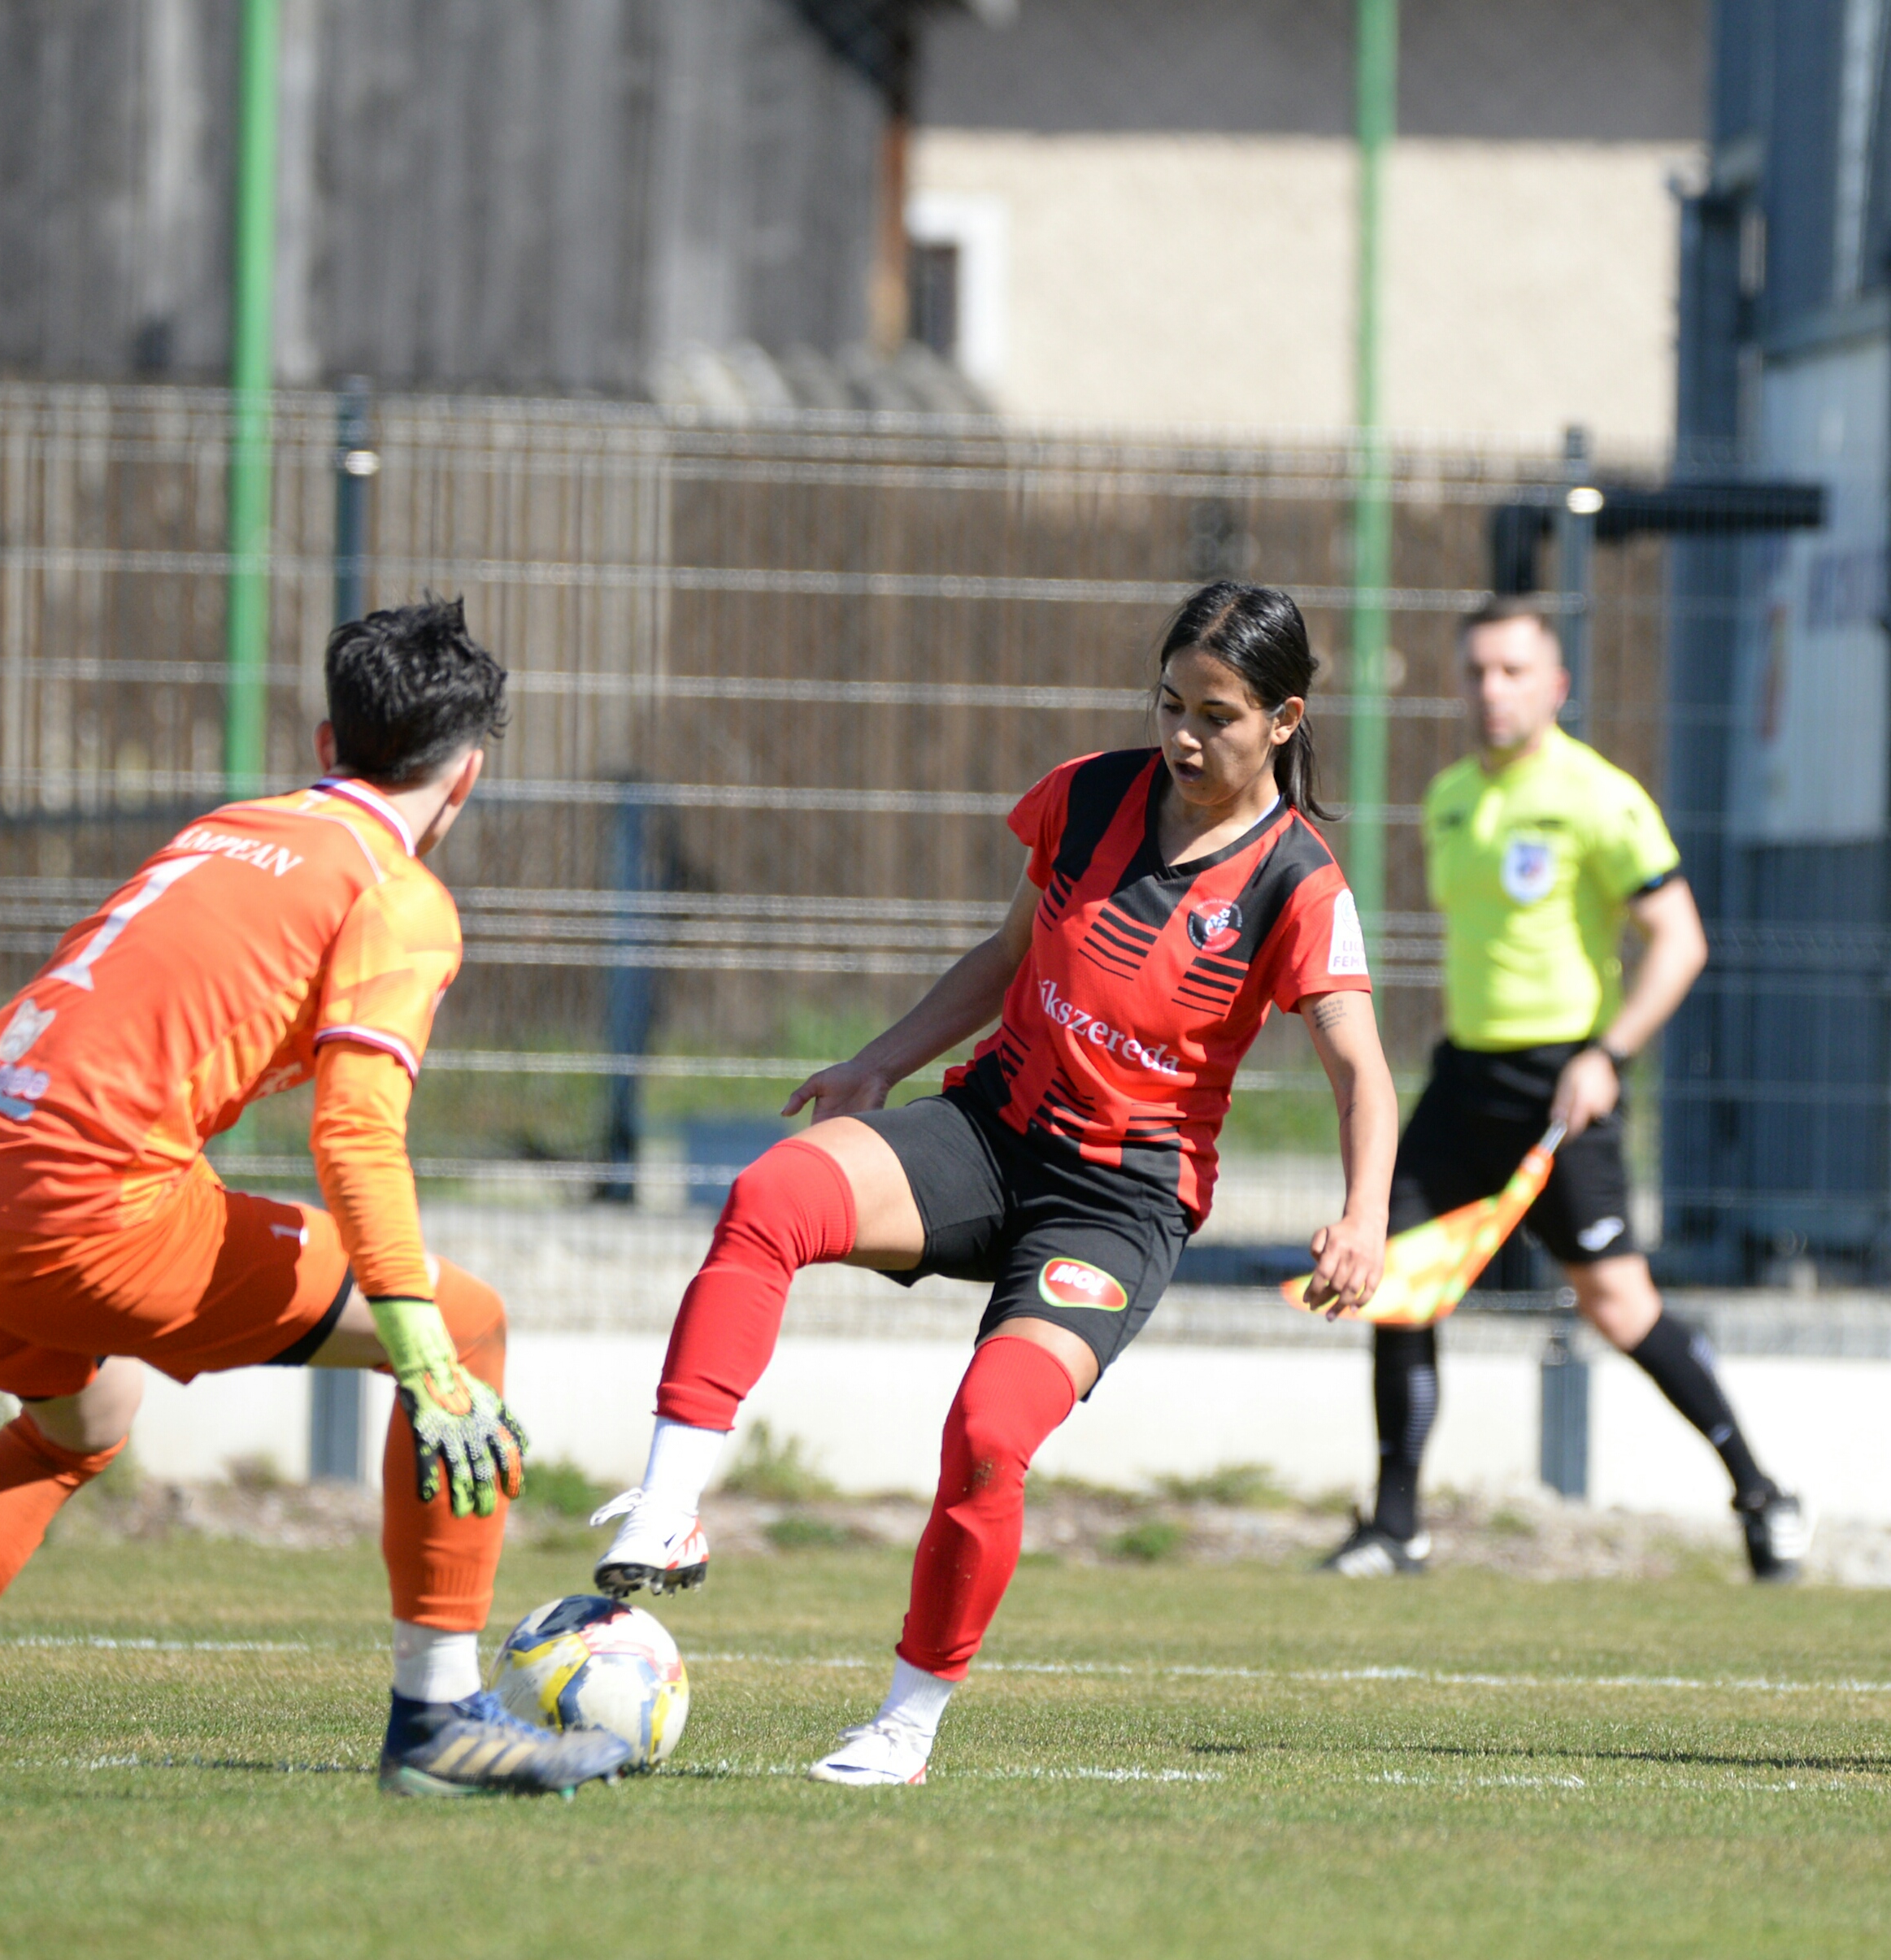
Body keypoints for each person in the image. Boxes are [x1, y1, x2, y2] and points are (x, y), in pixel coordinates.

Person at [0, 598, 634, 1800]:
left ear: (327, 743)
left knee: (83, 1417)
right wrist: (420, 1343)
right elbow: (355, 1132)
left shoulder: (228, 829)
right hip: (79, 1212)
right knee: (468, 1320)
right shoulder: (396, 892)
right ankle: (438, 1721)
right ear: (469, 775)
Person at [589, 580, 1397, 1787]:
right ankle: (666, 1504)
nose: (1183, 735)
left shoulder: (1298, 883)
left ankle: (904, 1725)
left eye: (1216, 715)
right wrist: (879, 1062)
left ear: (1284, 720)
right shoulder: (1086, 795)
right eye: (1169, 702)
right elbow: (1007, 955)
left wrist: (1364, 1213)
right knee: (772, 1195)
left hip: (1117, 1202)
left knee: (987, 1431)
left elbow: (1359, 1068)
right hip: (989, 1130)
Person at [1318, 597, 1810, 1581]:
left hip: (1562, 1086)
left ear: (1556, 685)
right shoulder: (1450, 795)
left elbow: (1680, 939)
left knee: (1618, 1305)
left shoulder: (1597, 796)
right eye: (1476, 672)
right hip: (1465, 1079)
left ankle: (1762, 1495)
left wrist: (1608, 1056)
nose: (1491, 690)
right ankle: (1396, 1524)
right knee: (1401, 1283)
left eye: (1512, 671)